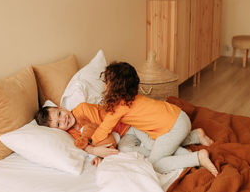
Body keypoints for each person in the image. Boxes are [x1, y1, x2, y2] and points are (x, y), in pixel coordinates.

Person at [91, 61, 219, 176]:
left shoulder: (118, 108)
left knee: (155, 164)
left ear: (114, 88)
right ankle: (195, 136)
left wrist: (91, 147)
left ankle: (197, 158)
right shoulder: (133, 97)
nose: (103, 86)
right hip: (179, 116)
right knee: (135, 145)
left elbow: (102, 131)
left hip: (174, 128)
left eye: (106, 83)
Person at [34, 102, 130, 166]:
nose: (64, 119)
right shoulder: (70, 133)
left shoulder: (82, 109)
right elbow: (83, 144)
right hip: (117, 140)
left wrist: (96, 151)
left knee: (127, 149)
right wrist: (95, 153)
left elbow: (101, 129)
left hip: (126, 126)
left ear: (62, 108)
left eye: (60, 114)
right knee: (124, 155)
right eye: (58, 124)